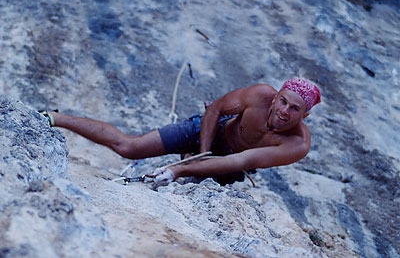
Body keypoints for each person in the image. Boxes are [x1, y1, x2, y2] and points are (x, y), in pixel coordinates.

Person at [41, 77, 321, 186]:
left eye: (294, 109)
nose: (284, 110)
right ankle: (54, 117)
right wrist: (201, 152)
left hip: (231, 162)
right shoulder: (260, 95)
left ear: (305, 115)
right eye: (283, 101)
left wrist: (183, 169)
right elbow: (215, 110)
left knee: (178, 185)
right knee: (129, 148)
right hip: (208, 132)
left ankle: (187, 167)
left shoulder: (297, 144)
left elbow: (241, 162)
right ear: (275, 98)